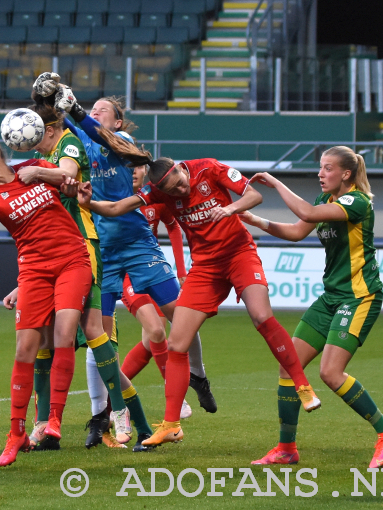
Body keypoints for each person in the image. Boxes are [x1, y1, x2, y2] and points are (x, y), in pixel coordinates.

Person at [67, 156, 322, 448]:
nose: (180, 191)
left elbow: (254, 194)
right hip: (205, 267)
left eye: (180, 183)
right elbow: (115, 208)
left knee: (261, 316)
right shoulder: (157, 192)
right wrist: (88, 204)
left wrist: (230, 209)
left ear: (179, 168)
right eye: (172, 190)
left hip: (239, 254)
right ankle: (171, 424)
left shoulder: (208, 168)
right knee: (176, 342)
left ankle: (302, 386)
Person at [32, 75, 216, 441]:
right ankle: (105, 413)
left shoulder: (121, 141)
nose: (96, 112)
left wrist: (79, 110)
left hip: (136, 242)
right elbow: (52, 121)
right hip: (100, 249)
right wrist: (47, 97)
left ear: (117, 121)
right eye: (93, 108)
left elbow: (97, 133)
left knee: (179, 316)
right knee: (97, 334)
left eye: (105, 110)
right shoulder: (77, 141)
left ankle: (197, 373)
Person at [0, 126, 107, 466]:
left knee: (65, 334)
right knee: (25, 350)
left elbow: (68, 178)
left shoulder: (33, 169)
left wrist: (71, 186)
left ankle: (54, 421)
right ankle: (15, 433)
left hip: (71, 260)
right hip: (33, 271)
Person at [240, 146, 383, 468]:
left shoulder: (357, 201)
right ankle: (286, 448)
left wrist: (275, 183)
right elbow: (298, 232)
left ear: (346, 174)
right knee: (289, 365)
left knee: (330, 372)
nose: (320, 173)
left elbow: (306, 216)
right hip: (330, 298)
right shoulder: (324, 201)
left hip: (359, 298)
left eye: (327, 168)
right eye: (320, 168)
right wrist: (255, 220)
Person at [16, 102, 152, 451]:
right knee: (45, 341)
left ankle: (122, 413)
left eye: (31, 133)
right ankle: (44, 427)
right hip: (50, 255)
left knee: (94, 332)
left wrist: (38, 173)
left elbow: (66, 176)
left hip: (83, 248)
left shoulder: (69, 145)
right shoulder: (43, 156)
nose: (28, 142)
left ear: (46, 129)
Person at [120, 165, 193, 418]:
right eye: (126, 168)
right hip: (124, 273)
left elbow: (173, 227)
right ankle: (174, 395)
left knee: (150, 342)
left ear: (145, 171)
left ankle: (112, 397)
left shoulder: (156, 197)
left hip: (151, 268)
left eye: (136, 167)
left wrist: (181, 269)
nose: (131, 172)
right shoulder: (113, 197)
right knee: (156, 331)